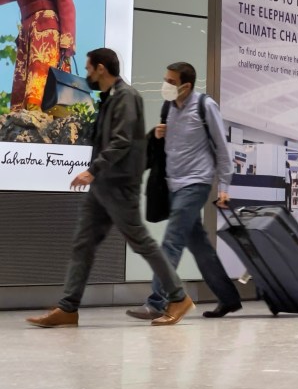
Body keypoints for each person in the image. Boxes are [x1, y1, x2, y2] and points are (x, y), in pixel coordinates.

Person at [27, 48, 193, 328]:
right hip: (104, 187)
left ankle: (178, 297)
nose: (88, 75)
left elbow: (122, 140)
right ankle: (68, 308)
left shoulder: (127, 97)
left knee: (141, 242)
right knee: (83, 244)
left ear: (101, 68)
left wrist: (92, 171)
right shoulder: (110, 97)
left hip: (118, 185)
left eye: (90, 69)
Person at [126, 62, 242, 321]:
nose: (165, 84)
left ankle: (158, 300)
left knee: (172, 241)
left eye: (171, 81)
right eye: (165, 78)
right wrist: (157, 134)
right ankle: (229, 298)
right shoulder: (169, 107)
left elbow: (222, 149)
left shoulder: (205, 106)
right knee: (199, 246)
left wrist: (224, 187)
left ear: (186, 86)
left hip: (196, 183)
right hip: (172, 184)